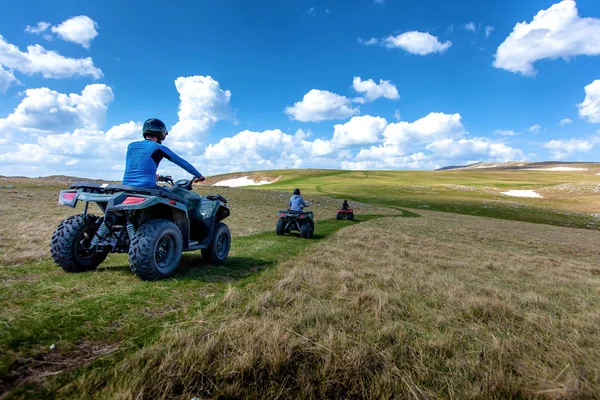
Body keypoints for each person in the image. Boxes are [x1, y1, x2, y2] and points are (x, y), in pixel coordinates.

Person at [122, 118, 205, 188]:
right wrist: (199, 176)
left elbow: (137, 167)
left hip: (126, 187)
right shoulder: (158, 147)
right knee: (178, 198)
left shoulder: (131, 146)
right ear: (161, 133)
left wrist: (154, 176)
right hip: (147, 187)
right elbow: (182, 162)